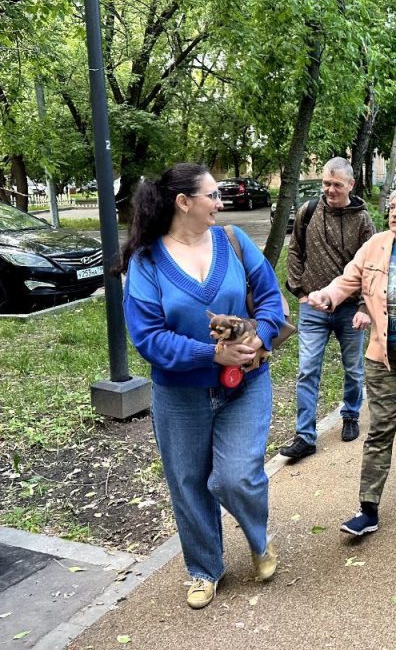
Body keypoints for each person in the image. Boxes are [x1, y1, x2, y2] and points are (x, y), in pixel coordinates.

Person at [121, 163, 284, 609]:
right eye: (212, 195)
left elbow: (270, 299)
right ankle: (203, 568)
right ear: (183, 202)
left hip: (245, 384)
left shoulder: (234, 241)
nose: (220, 202)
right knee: (188, 482)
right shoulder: (146, 261)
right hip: (179, 394)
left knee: (237, 476)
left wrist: (257, 337)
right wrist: (210, 354)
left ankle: (258, 539)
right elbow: (148, 337)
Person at [305, 185, 396, 537]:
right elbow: (347, 280)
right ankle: (368, 509)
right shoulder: (375, 246)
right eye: (391, 207)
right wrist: (327, 295)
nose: (393, 213)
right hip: (385, 354)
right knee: (380, 429)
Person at [280, 157, 376, 460]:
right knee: (307, 370)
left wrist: (364, 305)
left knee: (353, 367)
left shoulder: (362, 220)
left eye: (336, 184)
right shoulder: (309, 211)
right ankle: (305, 435)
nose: (330, 189)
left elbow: (372, 267)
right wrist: (299, 290)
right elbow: (294, 250)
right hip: (314, 308)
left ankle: (350, 414)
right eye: (326, 183)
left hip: (349, 309)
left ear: (350, 184)